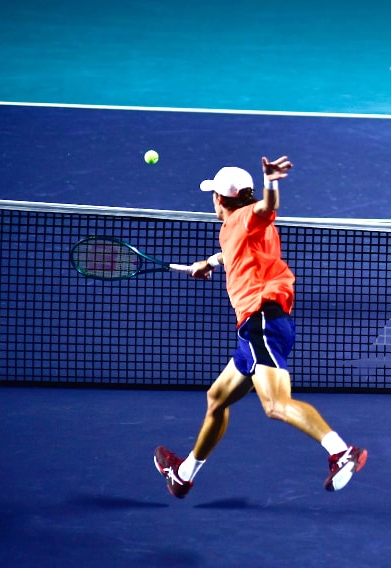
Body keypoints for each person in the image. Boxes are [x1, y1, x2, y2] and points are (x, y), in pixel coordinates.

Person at [154, 156, 367, 498]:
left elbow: (267, 208)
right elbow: (232, 251)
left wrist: (271, 183)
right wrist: (208, 263)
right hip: (259, 325)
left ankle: (340, 452)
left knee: (275, 405)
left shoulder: (247, 217)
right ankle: (183, 474)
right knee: (217, 399)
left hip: (261, 320)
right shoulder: (238, 228)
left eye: (213, 195)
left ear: (220, 199)